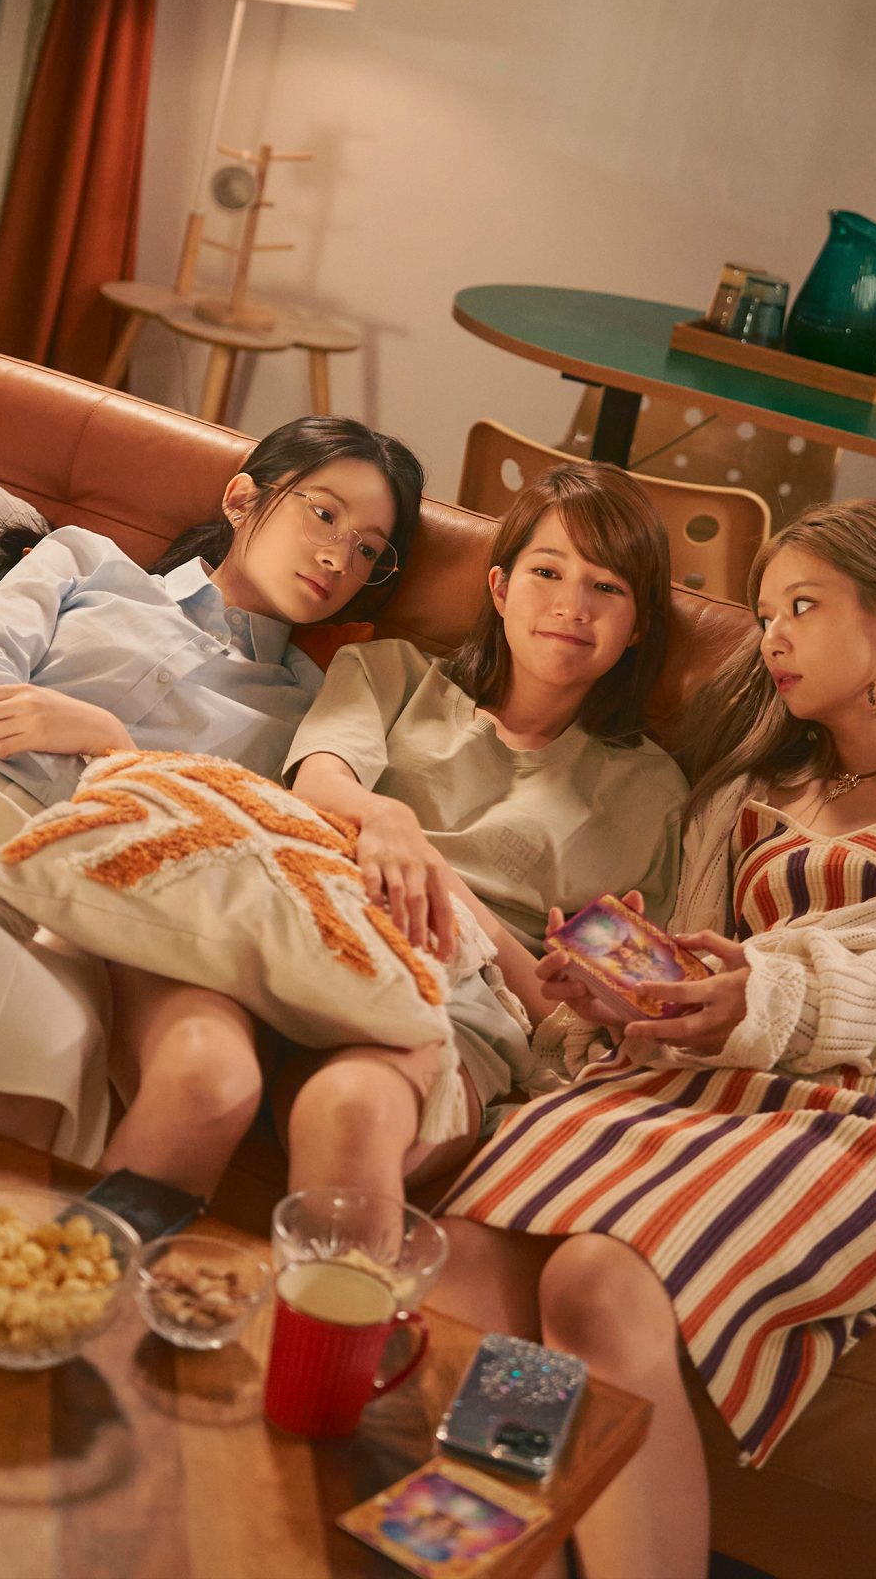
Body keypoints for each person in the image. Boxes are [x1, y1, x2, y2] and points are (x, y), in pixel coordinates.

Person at [434, 499, 876, 1579]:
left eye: (801, 607)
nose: (770, 637)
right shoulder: (741, 797)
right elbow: (702, 995)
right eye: (765, 612)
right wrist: (612, 1001)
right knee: (465, 1254)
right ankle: (484, 1558)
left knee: (596, 1281)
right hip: (701, 1085)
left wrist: (781, 993)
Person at [0, 416, 423, 1167]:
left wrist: (110, 751)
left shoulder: (305, 714)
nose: (336, 556)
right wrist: (101, 775)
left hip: (67, 891)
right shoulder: (85, 561)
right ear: (241, 499)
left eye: (367, 551)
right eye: (323, 513)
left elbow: (216, 842)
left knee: (35, 1038)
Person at [191, 459, 689, 1205]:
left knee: (352, 1111)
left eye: (607, 588)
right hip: (310, 926)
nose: (572, 607)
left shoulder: (651, 792)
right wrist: (386, 817)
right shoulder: (391, 674)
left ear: (639, 623)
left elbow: (588, 1007)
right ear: (500, 588)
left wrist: (438, 882)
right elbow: (318, 786)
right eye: (547, 572)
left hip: (461, 1003)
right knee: (195, 1058)